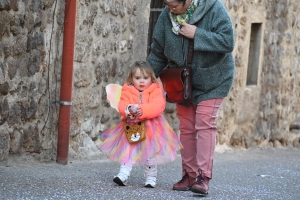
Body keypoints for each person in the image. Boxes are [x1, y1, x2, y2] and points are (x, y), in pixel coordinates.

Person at [147, 0, 235, 196]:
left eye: (174, 5)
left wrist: (197, 34)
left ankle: (203, 177)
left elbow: (228, 41)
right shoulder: (165, 17)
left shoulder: (214, 8)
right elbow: (158, 53)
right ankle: (189, 175)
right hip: (183, 83)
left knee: (204, 122)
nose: (170, 8)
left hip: (214, 78)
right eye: (166, 4)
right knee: (186, 127)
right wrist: (143, 80)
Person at [99, 61, 182, 188]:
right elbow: (122, 105)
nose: (142, 81)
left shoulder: (155, 89)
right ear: (132, 78)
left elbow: (158, 106)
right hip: (132, 125)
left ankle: (150, 177)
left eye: (145, 78)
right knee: (128, 149)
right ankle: (123, 174)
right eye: (138, 78)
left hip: (152, 126)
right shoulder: (127, 89)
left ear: (151, 78)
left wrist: (142, 110)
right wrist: (129, 110)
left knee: (150, 153)